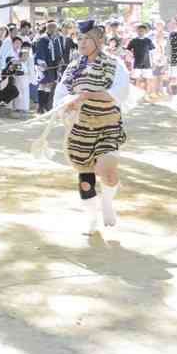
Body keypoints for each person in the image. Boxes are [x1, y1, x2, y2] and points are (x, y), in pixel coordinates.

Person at [54, 20, 130, 234]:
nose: (82, 42)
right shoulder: (74, 66)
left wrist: (88, 95)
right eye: (80, 38)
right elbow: (60, 95)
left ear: (99, 41)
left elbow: (118, 94)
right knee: (86, 181)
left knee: (107, 170)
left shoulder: (115, 64)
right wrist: (68, 103)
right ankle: (91, 219)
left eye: (87, 38)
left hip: (107, 124)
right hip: (81, 128)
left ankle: (107, 202)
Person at [34, 20, 64, 114]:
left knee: (50, 84)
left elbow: (58, 50)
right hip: (44, 65)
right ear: (48, 28)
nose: (53, 30)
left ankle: (46, 105)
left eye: (55, 28)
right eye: (51, 28)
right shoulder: (42, 38)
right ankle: (40, 106)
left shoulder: (57, 38)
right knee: (43, 84)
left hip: (53, 64)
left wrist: (60, 60)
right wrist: (42, 63)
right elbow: (39, 51)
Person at [127, 24, 156, 97]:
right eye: (139, 31)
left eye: (142, 31)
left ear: (145, 31)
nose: (141, 32)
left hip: (147, 63)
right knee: (137, 80)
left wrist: (154, 62)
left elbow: (153, 51)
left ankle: (146, 95)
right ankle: (137, 95)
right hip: (137, 63)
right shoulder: (134, 40)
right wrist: (130, 57)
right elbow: (128, 50)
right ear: (137, 31)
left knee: (147, 80)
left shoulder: (148, 40)